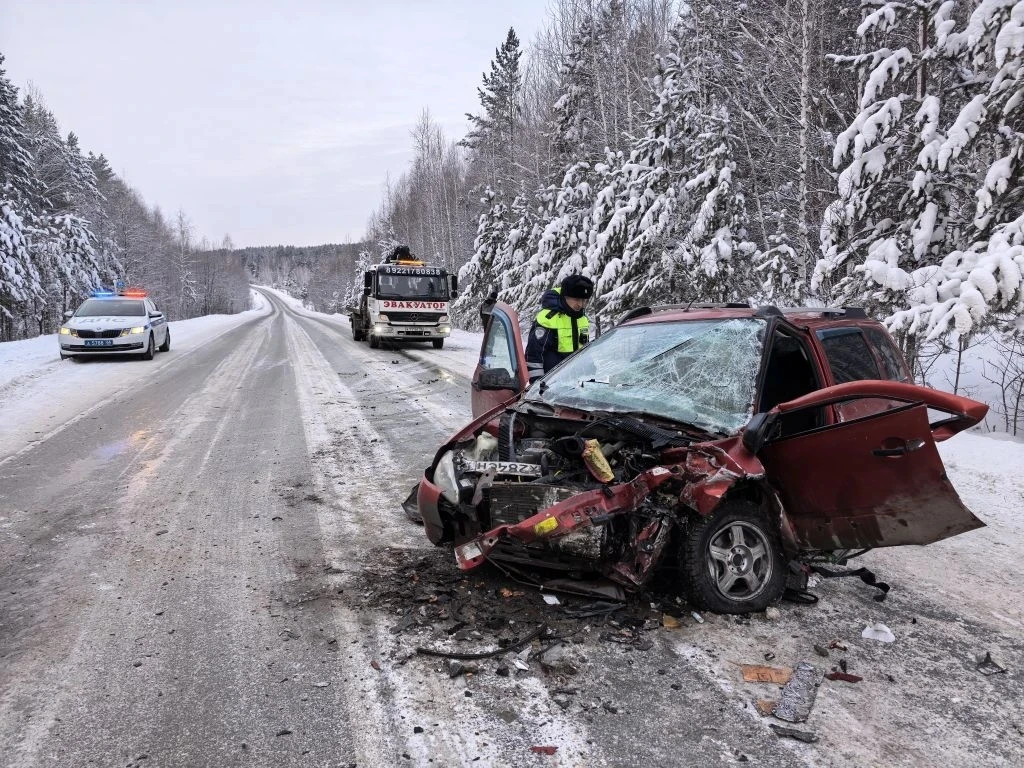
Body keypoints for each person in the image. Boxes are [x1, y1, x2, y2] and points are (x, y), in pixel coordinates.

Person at [525, 274, 594, 382]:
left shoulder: (582, 318)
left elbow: (584, 349)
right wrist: (537, 383)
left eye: (584, 301)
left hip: (575, 382)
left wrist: (590, 371)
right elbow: (534, 355)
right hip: (551, 382)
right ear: (565, 296)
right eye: (576, 299)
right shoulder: (547, 319)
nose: (581, 305)